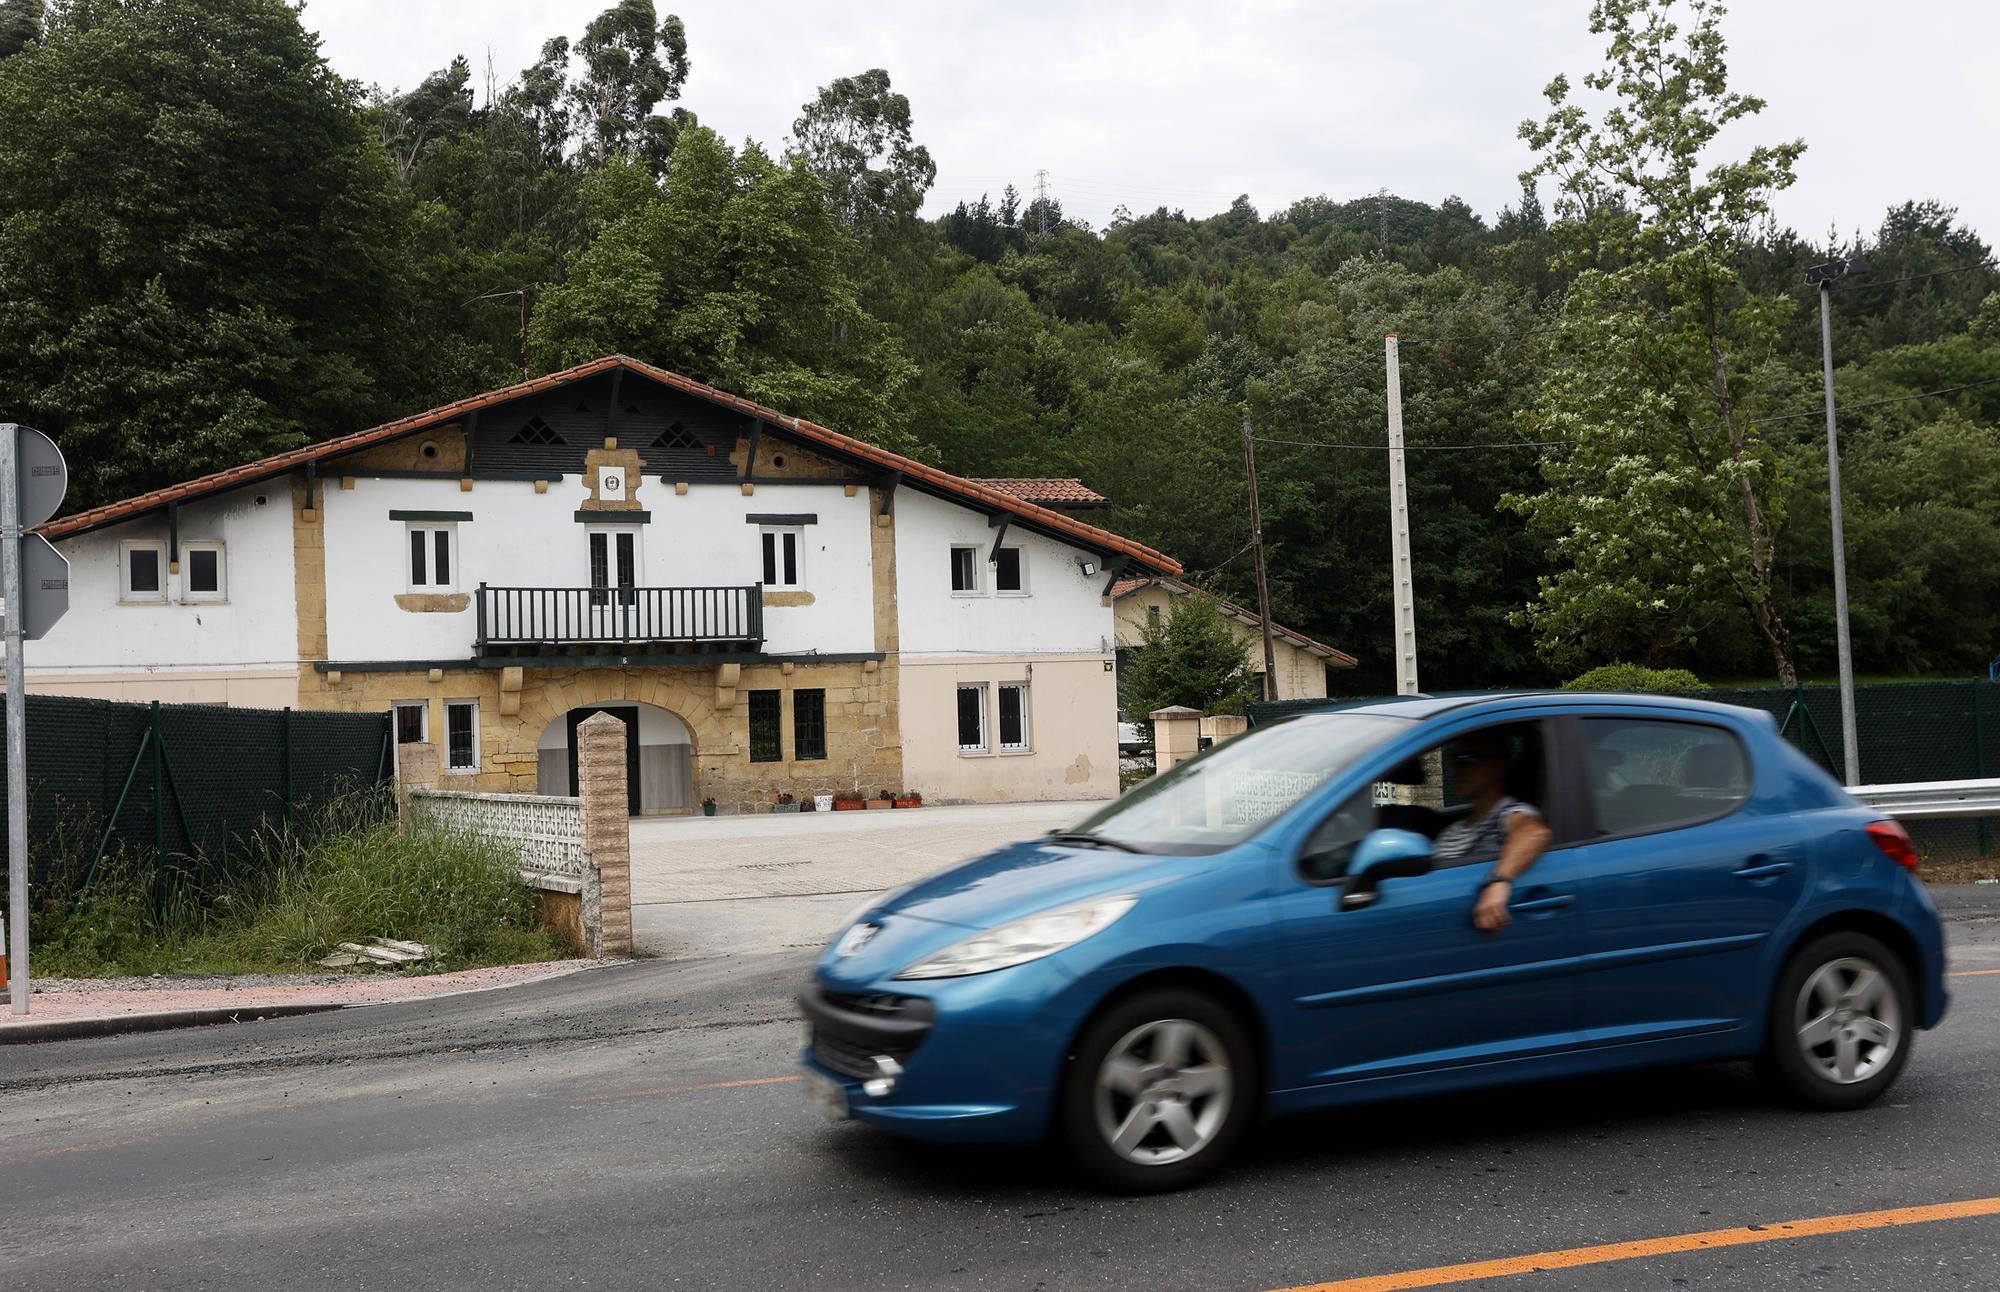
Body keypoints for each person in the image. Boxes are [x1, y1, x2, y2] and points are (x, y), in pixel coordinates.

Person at [1430, 730, 1554, 933]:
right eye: (1453, 759)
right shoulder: (1453, 829)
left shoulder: (1508, 813)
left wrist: (1499, 882)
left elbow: (1534, 833)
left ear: (1499, 766)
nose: (1456, 768)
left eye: (1468, 759)